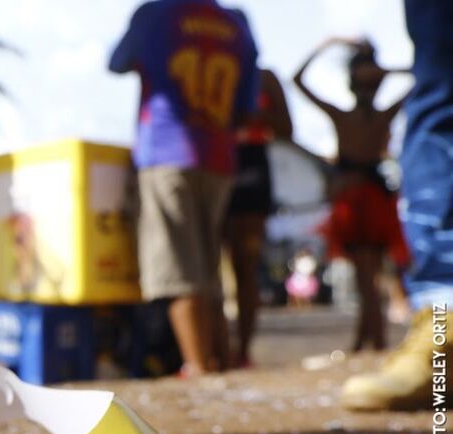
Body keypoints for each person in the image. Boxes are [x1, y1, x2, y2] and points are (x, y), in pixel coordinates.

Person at [109, 0, 260, 375]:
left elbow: (117, 62)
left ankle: (196, 365)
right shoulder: (235, 24)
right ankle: (218, 360)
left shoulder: (155, 14)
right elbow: (246, 106)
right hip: (219, 158)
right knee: (208, 268)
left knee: (179, 268)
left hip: (166, 152)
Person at [341, 0, 453, 410]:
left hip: (374, 195)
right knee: (442, 73)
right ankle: (446, 320)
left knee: (377, 275)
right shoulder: (344, 115)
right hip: (354, 198)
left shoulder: (384, 110)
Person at [294, 38, 411, 352]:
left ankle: (375, 342)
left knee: (367, 277)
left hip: (365, 201)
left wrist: (327, 47)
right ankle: (366, 339)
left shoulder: (358, 116)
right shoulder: (356, 116)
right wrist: (329, 44)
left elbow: (298, 80)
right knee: (368, 275)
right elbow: (298, 81)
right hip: (362, 199)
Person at [224, 68, 292, 367]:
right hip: (211, 160)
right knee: (204, 267)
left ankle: (242, 349)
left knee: (245, 266)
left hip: (250, 166)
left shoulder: (263, 77)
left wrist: (249, 116)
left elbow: (287, 128)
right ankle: (216, 348)